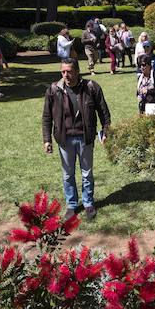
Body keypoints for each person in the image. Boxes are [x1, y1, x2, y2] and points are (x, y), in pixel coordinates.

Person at [42, 58, 111, 220]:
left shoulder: (91, 88)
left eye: (69, 71)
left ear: (78, 71)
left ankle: (88, 203)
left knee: (87, 174)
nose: (66, 75)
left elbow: (104, 113)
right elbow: (46, 117)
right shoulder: (54, 90)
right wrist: (47, 139)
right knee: (68, 174)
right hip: (64, 140)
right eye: (63, 71)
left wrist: (106, 131)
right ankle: (72, 204)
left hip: (85, 138)